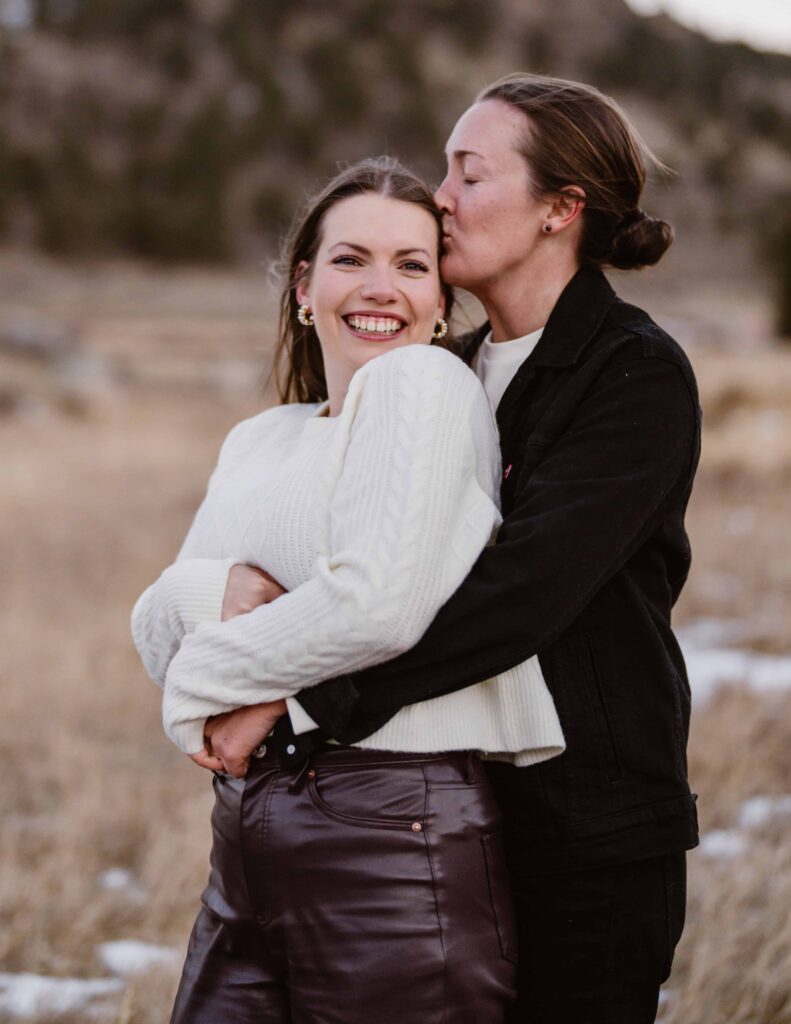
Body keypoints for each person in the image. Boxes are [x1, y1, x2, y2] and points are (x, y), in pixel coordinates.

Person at [274, 74, 702, 1024]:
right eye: (445, 170)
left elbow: (525, 588)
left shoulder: (631, 374)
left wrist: (325, 689)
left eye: (468, 173)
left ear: (560, 209)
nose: (440, 197)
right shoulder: (447, 368)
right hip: (451, 814)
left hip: (590, 831)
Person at [131, 156, 567, 1023]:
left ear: (443, 300)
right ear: (303, 283)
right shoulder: (263, 438)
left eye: (412, 265)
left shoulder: (426, 385)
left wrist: (227, 682)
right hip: (248, 835)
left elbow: (376, 605)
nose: (381, 288)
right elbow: (156, 622)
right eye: (350, 259)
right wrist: (212, 591)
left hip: (388, 836)